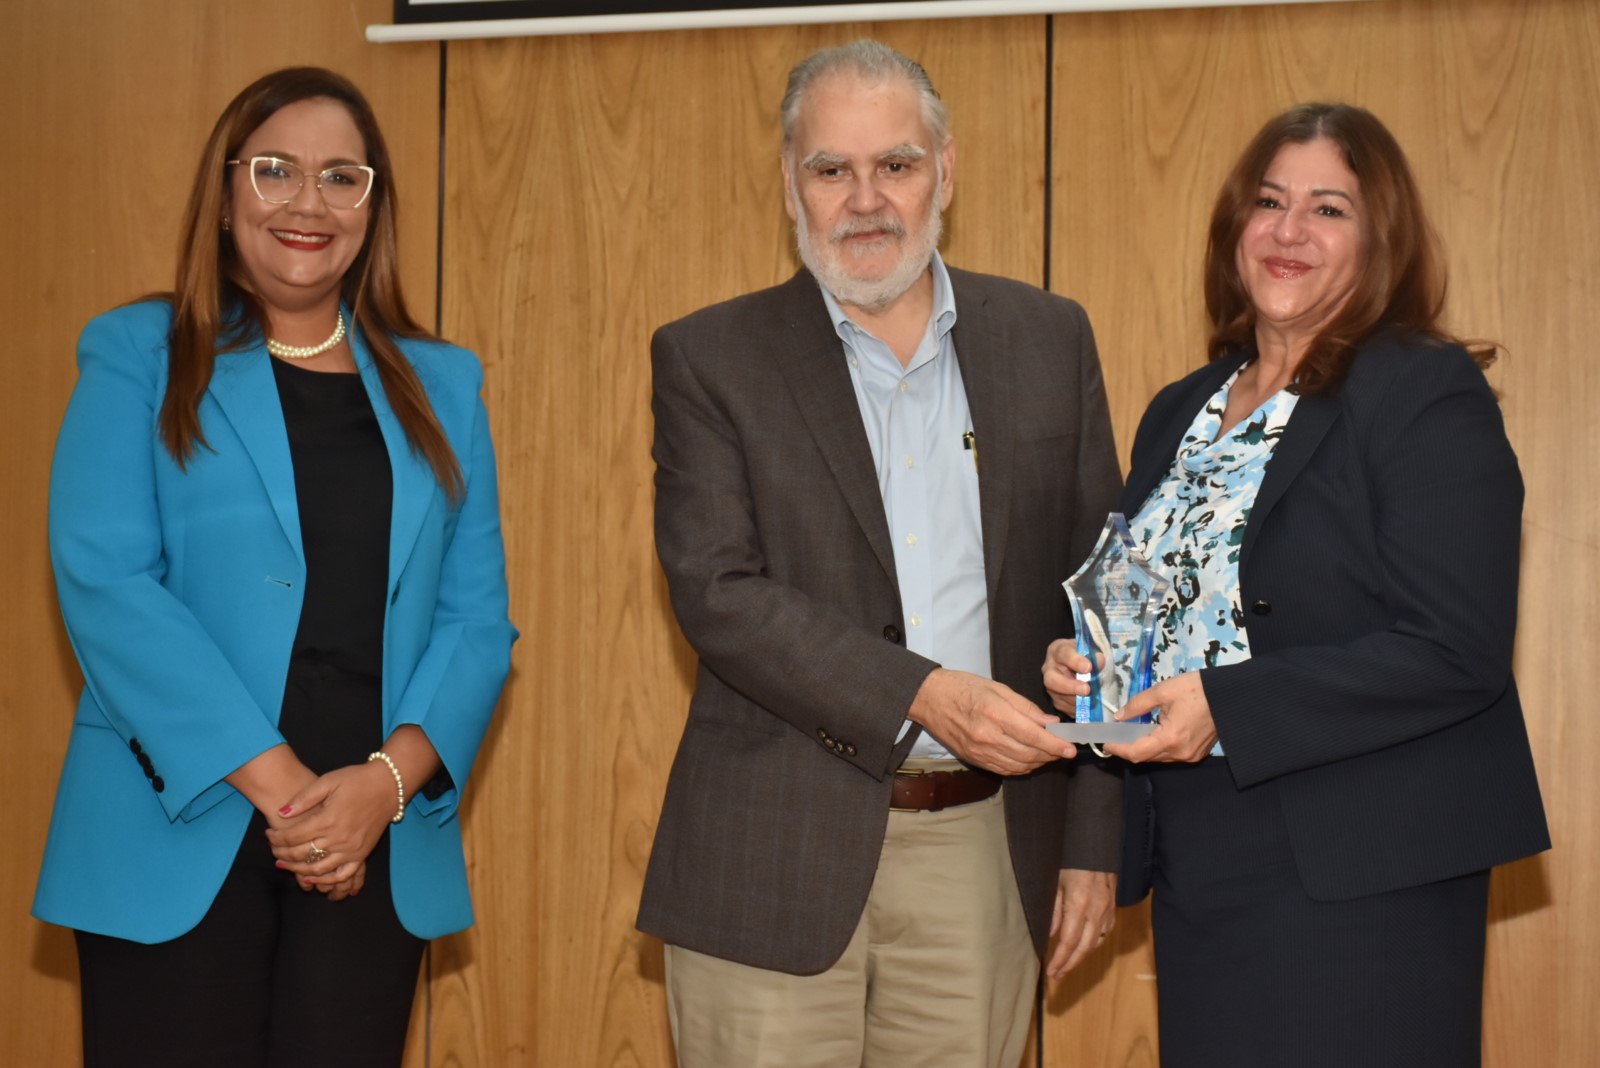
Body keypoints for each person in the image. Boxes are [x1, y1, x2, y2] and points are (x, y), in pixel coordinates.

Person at [639, 39, 1123, 1067]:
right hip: (768, 853)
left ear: (944, 171)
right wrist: (922, 694)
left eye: (895, 164)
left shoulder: (1049, 339)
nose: (866, 200)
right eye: (832, 169)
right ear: (790, 184)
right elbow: (719, 593)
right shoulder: (709, 357)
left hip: (983, 854)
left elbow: (1103, 604)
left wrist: (1093, 843)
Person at [1043, 103, 1550, 1067]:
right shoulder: (1181, 409)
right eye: (1270, 202)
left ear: (1380, 238)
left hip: (1360, 875)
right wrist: (1089, 667)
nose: (1289, 231)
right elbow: (1154, 602)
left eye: (1329, 209)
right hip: (1200, 860)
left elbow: (1457, 648)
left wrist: (1227, 707)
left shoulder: (1422, 389)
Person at [32, 67, 516, 1067]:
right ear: (225, 195)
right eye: (275, 171)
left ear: (372, 207)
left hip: (372, 840)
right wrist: (290, 794)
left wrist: (384, 787)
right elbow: (108, 584)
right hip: (177, 824)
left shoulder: (444, 385)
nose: (309, 203)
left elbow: (476, 622)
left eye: (342, 177)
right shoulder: (139, 353)